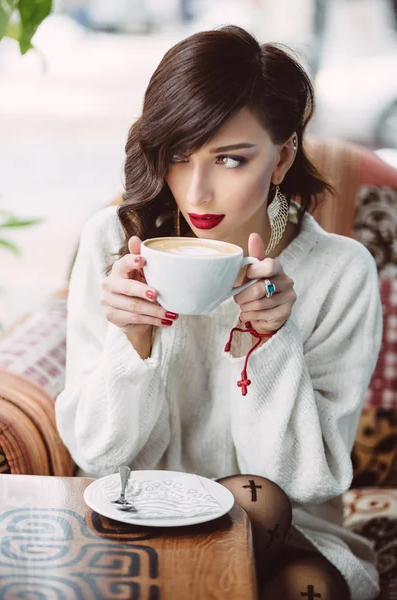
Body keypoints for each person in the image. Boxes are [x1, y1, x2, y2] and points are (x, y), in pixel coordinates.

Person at [55, 25, 382, 600]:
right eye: (178, 157)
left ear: (282, 157)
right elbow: (99, 454)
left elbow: (305, 482)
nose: (197, 191)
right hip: (138, 516)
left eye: (230, 159)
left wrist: (271, 342)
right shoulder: (112, 243)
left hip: (286, 529)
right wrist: (133, 343)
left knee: (303, 579)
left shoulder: (340, 270)